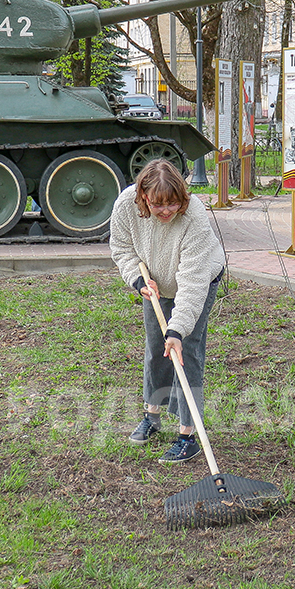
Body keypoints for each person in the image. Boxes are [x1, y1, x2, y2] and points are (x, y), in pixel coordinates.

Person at [108, 159, 227, 463]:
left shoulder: (194, 217)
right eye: (159, 205)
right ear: (143, 196)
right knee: (155, 348)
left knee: (185, 349)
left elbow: (193, 281)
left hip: (198, 280)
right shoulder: (125, 206)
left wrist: (177, 330)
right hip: (154, 283)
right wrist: (138, 280)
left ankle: (188, 435)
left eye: (173, 204)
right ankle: (152, 415)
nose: (166, 211)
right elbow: (122, 248)